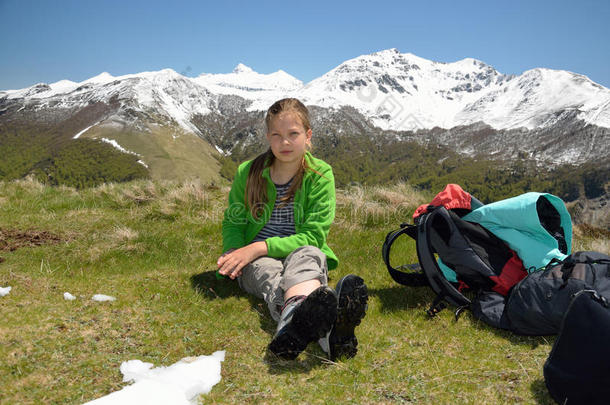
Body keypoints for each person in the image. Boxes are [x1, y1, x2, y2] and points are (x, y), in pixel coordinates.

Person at [217, 98, 368, 361]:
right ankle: (329, 332)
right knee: (267, 271)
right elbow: (234, 220)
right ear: (267, 137)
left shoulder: (321, 175)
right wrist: (234, 253)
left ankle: (295, 322)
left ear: (308, 136)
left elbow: (313, 236)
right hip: (256, 260)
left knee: (309, 255)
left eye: (293, 134)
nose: (284, 142)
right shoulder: (248, 172)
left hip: (295, 250)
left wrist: (257, 246)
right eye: (276, 135)